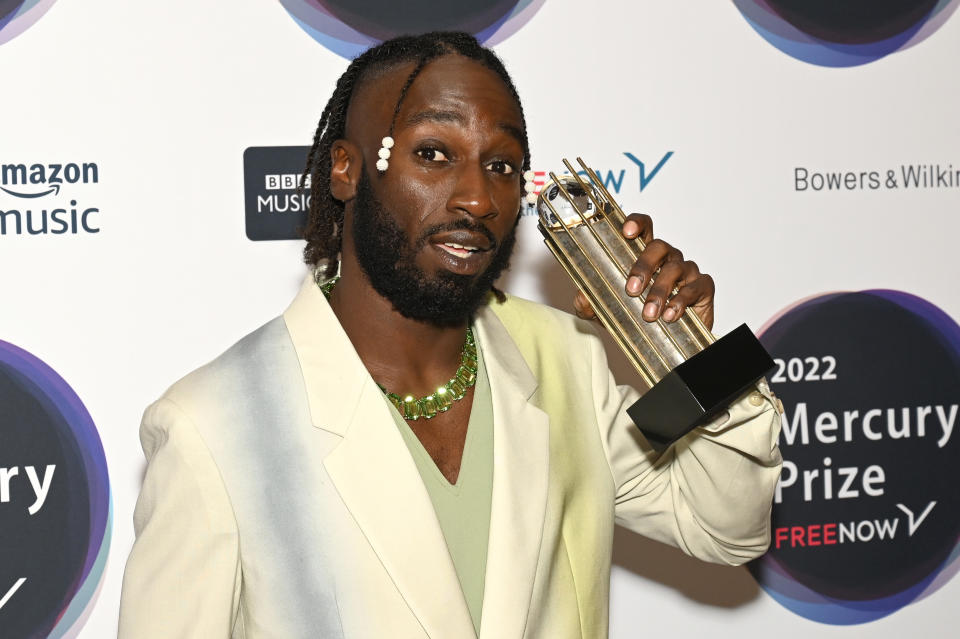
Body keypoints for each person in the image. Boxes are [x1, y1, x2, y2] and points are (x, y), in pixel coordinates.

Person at [118, 31, 782, 639]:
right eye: (434, 154)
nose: (477, 198)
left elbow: (727, 529)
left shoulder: (564, 361)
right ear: (345, 170)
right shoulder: (213, 426)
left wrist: (689, 351)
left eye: (501, 165)